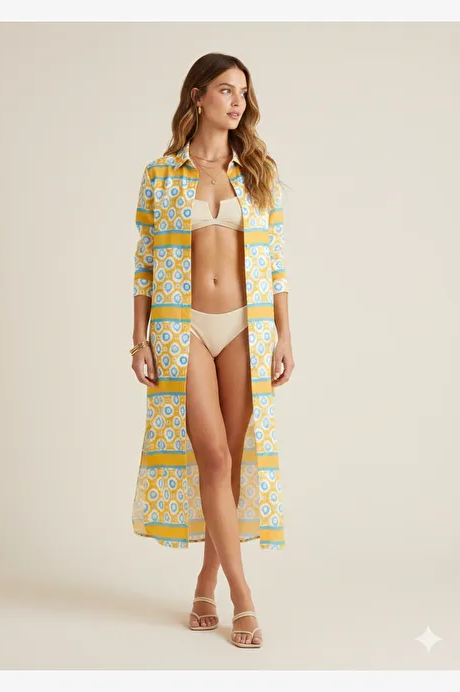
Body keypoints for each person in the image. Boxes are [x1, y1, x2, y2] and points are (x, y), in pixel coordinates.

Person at [130, 52, 295, 649]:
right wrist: (140, 338)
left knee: (232, 458)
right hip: (185, 328)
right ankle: (243, 597)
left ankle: (206, 580)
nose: (237, 102)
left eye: (243, 93)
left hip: (246, 327)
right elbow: (145, 264)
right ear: (197, 96)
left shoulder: (257, 172)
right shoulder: (162, 174)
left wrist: (284, 335)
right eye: (226, 90)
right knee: (214, 458)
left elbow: (276, 261)